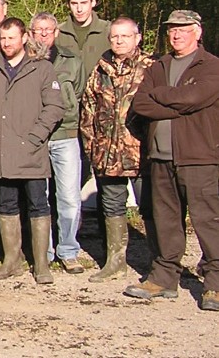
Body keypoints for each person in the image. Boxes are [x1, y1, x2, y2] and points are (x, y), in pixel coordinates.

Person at [127, 10, 219, 311]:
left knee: (208, 221)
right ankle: (164, 278)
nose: (176, 35)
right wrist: (177, 103)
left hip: (199, 157)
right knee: (166, 221)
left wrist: (163, 97)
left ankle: (215, 284)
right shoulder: (159, 66)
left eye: (182, 29)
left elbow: (196, 98)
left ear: (198, 32)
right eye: (172, 30)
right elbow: (140, 103)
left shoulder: (211, 66)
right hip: (160, 158)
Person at [0, 17, 64, 284]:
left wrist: (36, 136)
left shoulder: (42, 68)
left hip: (32, 152)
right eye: (3, 38)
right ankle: (11, 260)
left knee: (38, 204)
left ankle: (41, 264)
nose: (6, 43)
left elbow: (55, 107)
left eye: (11, 38)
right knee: (6, 204)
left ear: (24, 38)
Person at [80, 17, 153, 282]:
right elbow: (88, 109)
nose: (119, 41)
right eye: (114, 37)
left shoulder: (151, 68)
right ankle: (115, 262)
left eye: (124, 36)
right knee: (111, 206)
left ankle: (159, 265)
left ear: (137, 37)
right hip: (106, 153)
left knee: (151, 207)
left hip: (141, 153)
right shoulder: (101, 69)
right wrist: (92, 145)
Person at [29, 12, 86, 274]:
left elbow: (79, 94)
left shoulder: (72, 61)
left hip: (65, 136)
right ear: (30, 33)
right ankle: (45, 251)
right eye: (38, 30)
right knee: (40, 197)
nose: (43, 35)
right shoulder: (24, 61)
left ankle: (68, 249)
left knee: (69, 197)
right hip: (35, 138)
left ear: (56, 33)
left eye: (47, 30)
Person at [58, 0, 111, 81]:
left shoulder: (108, 31)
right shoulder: (58, 34)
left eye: (84, 3)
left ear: (93, 2)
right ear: (68, 5)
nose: (79, 9)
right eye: (74, 4)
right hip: (68, 94)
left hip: (100, 94)